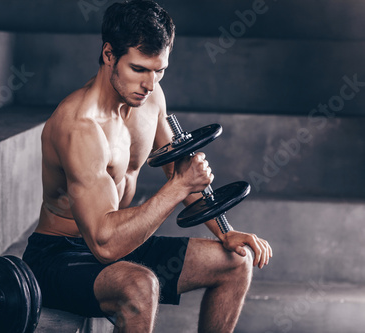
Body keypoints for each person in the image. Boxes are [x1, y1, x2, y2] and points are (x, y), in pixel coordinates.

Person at [23, 1, 272, 332]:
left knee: (237, 263)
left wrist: (226, 232)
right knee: (140, 285)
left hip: (120, 243)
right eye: (139, 69)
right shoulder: (80, 127)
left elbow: (178, 172)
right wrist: (179, 185)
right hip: (60, 256)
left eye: (160, 70)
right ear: (109, 55)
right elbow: (104, 243)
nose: (150, 84)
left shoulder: (150, 99)